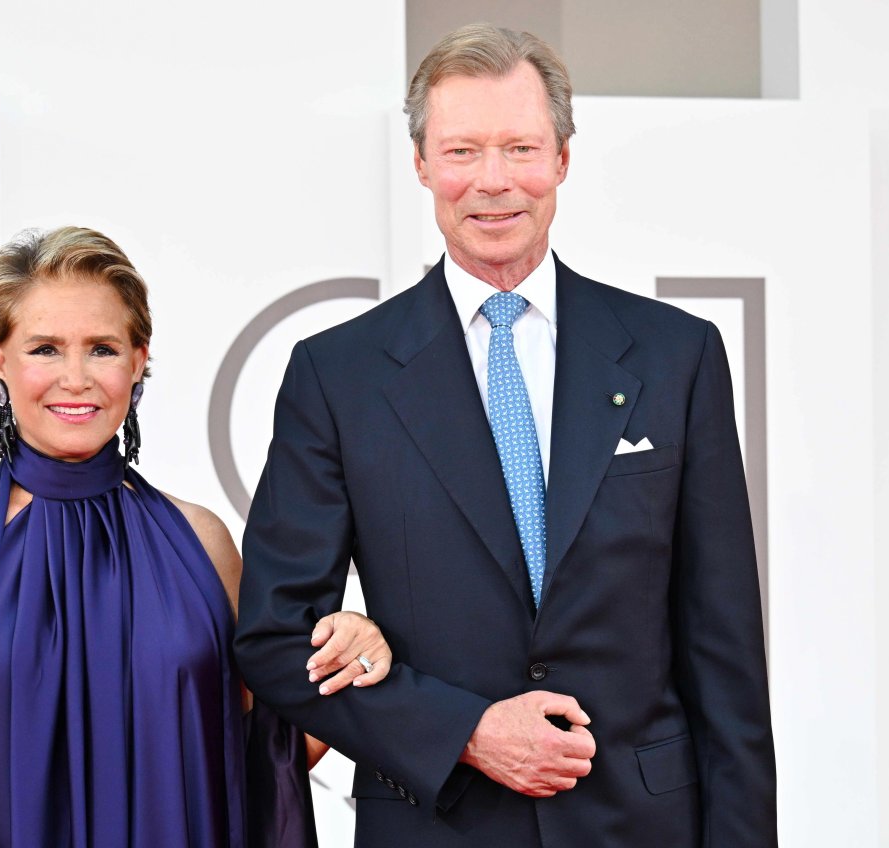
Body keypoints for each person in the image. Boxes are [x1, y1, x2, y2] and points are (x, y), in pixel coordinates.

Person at [235, 24, 776, 847]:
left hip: (643, 826)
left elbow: (724, 651)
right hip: (437, 824)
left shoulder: (678, 356)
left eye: (520, 148)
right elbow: (276, 639)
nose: (493, 182)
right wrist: (465, 731)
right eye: (462, 151)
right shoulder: (337, 376)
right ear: (421, 164)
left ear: (562, 158)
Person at [0, 226, 394, 848]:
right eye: (44, 348)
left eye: (101, 348)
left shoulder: (202, 542)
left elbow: (262, 755)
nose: (76, 378)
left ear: (139, 358)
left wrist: (356, 657)